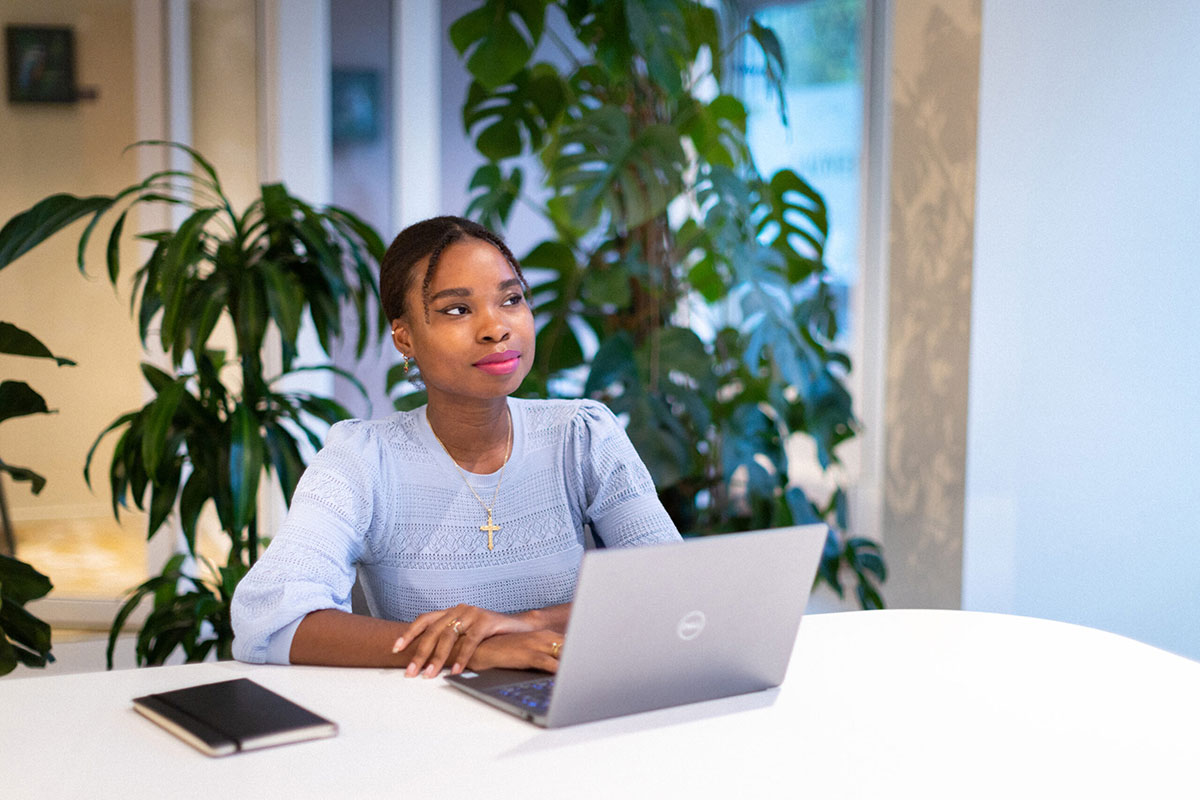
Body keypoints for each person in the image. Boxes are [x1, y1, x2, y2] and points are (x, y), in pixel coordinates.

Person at [231, 215, 681, 677]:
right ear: (404, 335)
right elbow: (268, 621)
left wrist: (520, 626)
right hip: (433, 729)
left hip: (574, 708)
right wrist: (471, 652)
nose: (495, 328)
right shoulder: (363, 460)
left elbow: (673, 586)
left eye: (511, 299)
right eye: (457, 310)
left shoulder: (581, 436)